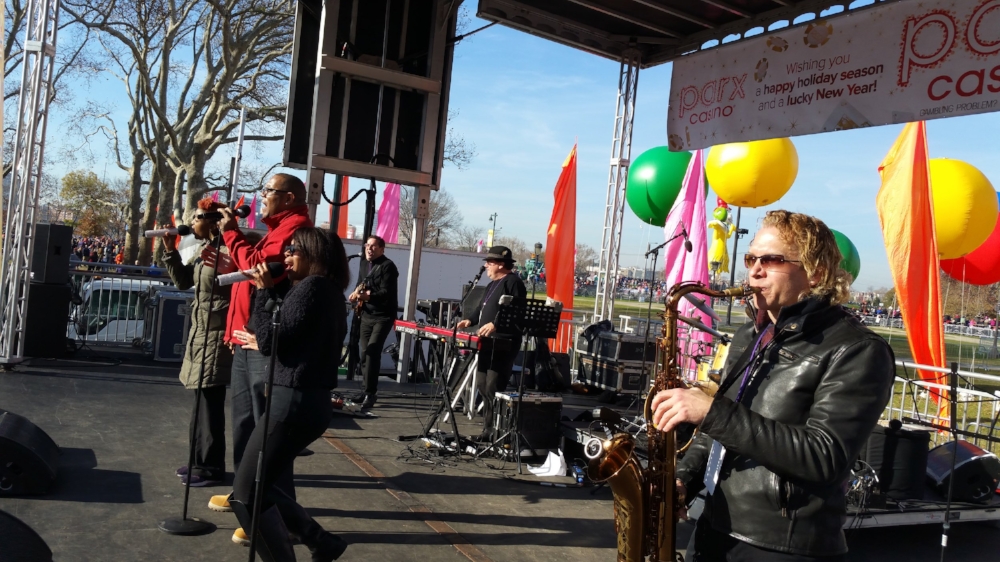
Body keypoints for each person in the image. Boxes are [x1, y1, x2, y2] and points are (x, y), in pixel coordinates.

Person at [651, 210, 895, 561]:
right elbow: (717, 428)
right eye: (751, 258)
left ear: (817, 274)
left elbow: (824, 456)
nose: (754, 269)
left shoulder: (857, 350)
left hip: (782, 546)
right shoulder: (750, 334)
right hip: (714, 526)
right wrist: (684, 480)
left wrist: (711, 411)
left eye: (772, 259)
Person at [233, 227, 350, 561]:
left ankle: (314, 542)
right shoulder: (324, 290)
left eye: (293, 249)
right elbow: (289, 334)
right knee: (262, 484)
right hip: (307, 403)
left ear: (315, 253)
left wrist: (263, 293)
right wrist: (276, 294)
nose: (284, 254)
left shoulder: (313, 287)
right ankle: (320, 541)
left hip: (293, 402)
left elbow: (271, 338)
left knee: (246, 491)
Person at [207, 173, 312, 544]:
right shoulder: (276, 227)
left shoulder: (296, 227)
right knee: (245, 427)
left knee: (265, 437)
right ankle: (245, 500)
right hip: (245, 338)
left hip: (260, 343)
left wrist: (233, 233)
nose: (262, 197)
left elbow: (256, 269)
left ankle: (275, 521)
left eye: (268, 192)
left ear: (287, 198)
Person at [162, 199, 233, 487]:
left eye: (197, 217)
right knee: (200, 401)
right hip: (201, 334)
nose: (191, 222)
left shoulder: (229, 251)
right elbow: (182, 282)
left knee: (210, 404)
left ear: (214, 221)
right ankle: (197, 461)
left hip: (216, 335)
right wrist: (170, 251)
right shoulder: (206, 249)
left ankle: (211, 466)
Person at [456, 245, 527, 440]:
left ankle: (493, 431)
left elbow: (516, 313)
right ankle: (488, 429)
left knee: (493, 386)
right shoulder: (491, 285)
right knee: (482, 384)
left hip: (504, 343)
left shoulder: (513, 283)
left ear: (501, 264)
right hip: (487, 343)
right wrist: (469, 320)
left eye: (490, 262)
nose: (486, 265)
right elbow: (481, 308)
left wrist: (495, 325)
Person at [347, 235, 398, 410]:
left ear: (382, 249)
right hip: (366, 314)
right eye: (367, 245)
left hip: (383, 315)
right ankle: (366, 390)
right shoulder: (363, 263)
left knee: (373, 351)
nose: (369, 249)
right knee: (364, 353)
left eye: (374, 246)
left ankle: (371, 393)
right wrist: (356, 293)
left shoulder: (388, 266)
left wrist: (367, 296)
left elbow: (386, 292)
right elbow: (362, 282)